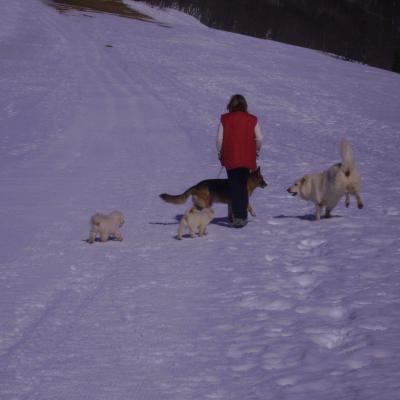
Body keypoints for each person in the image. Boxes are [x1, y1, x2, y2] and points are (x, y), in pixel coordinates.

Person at [216, 94, 263, 228]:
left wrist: (220, 153)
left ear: (231, 105)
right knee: (243, 186)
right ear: (244, 105)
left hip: (230, 157)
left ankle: (238, 217)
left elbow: (219, 139)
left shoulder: (225, 119)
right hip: (247, 157)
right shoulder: (252, 119)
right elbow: (259, 138)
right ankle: (243, 215)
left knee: (234, 187)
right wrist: (257, 150)